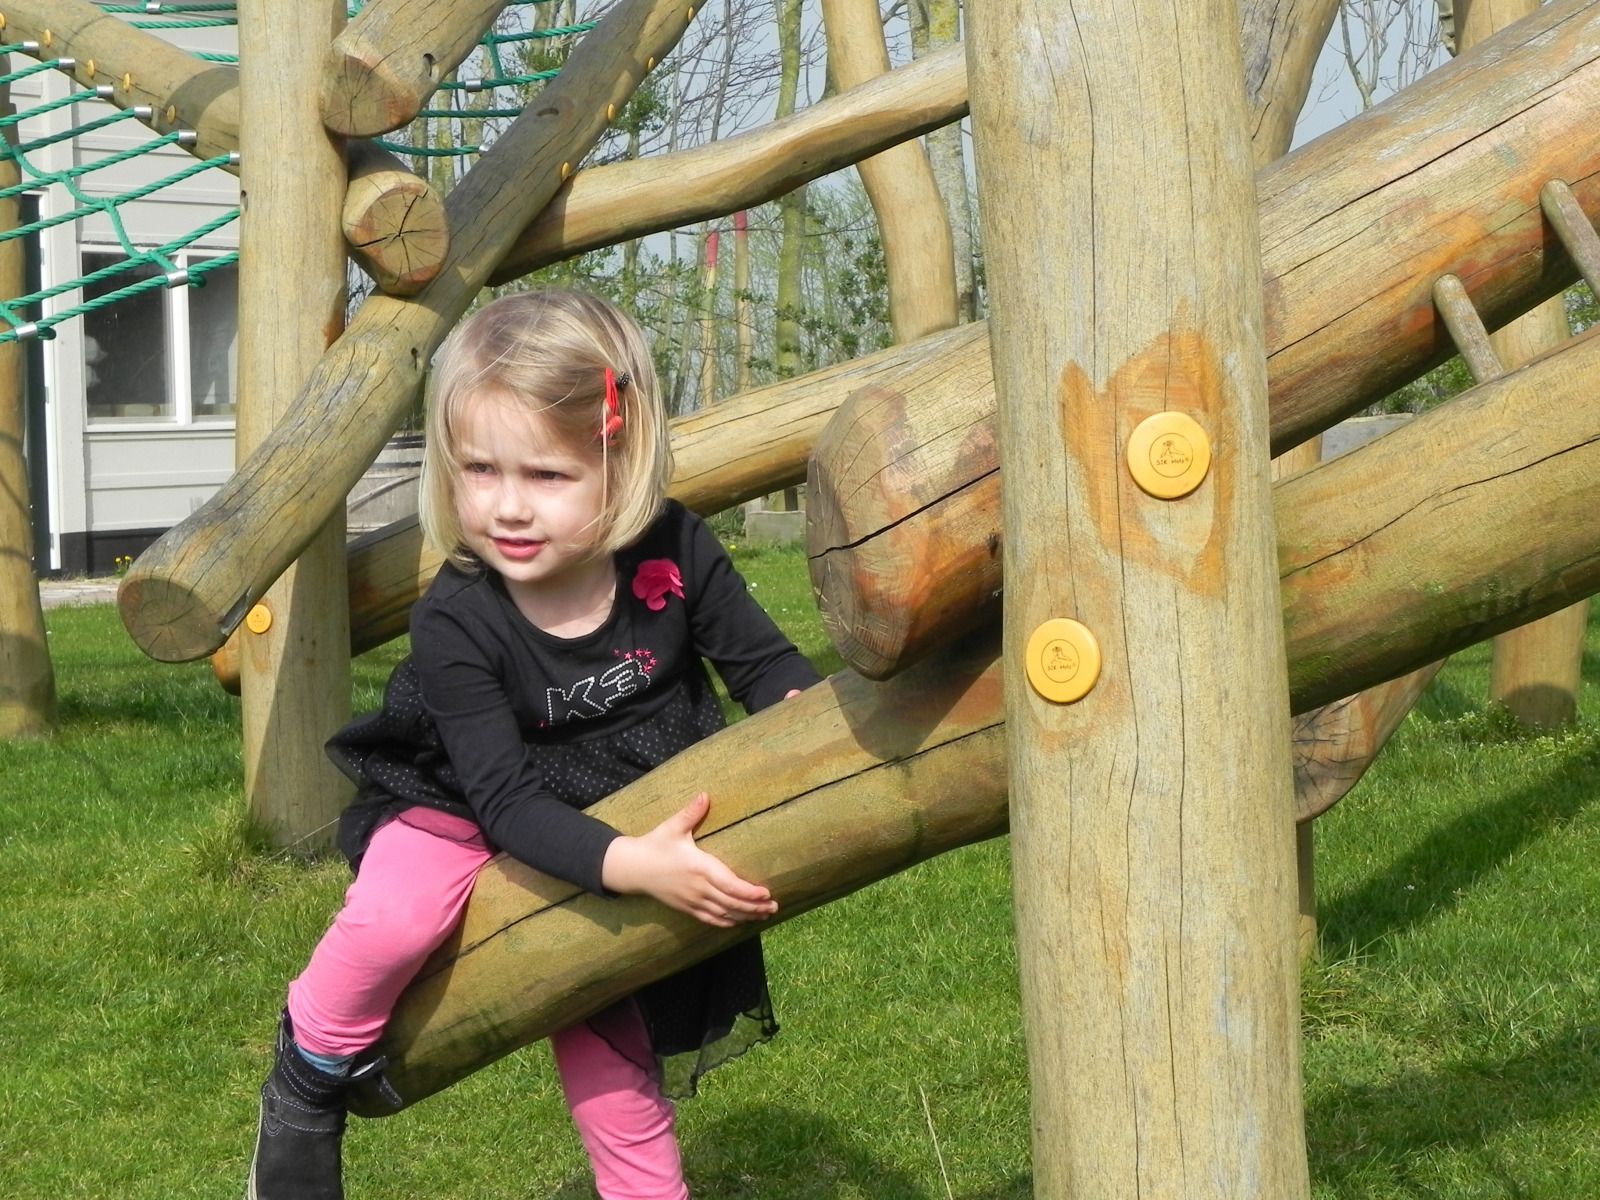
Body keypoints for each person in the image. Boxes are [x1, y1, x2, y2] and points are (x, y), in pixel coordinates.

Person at [247, 288, 821, 1200]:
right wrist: (630, 863)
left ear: (618, 456)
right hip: (464, 801)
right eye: (480, 470)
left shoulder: (672, 547)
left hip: (618, 804)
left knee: (609, 1040)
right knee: (397, 917)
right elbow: (507, 803)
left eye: (546, 477)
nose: (508, 508)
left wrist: (821, 726)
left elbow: (767, 668)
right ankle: (307, 1070)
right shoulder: (456, 619)